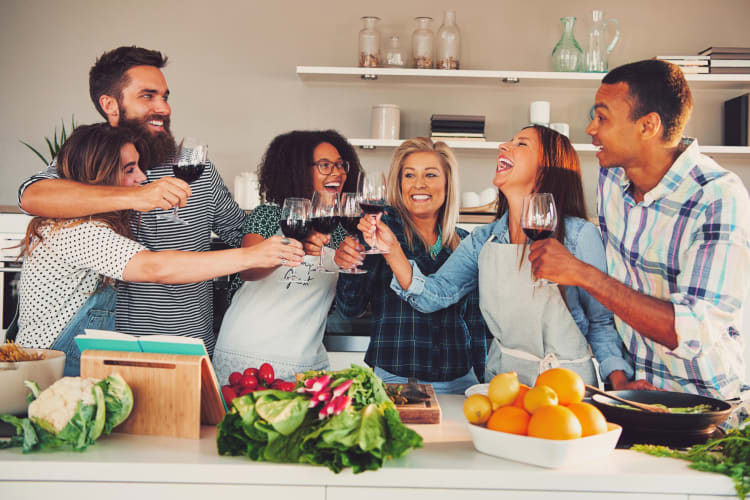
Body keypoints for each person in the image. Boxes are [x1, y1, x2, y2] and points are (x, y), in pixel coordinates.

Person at [528, 60, 750, 402]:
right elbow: (614, 305)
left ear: (648, 126)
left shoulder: (717, 196)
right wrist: (619, 377)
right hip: (635, 396)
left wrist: (581, 273)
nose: (590, 128)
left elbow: (691, 331)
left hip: (704, 402)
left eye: (602, 117)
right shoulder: (613, 178)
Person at [17, 124, 304, 376]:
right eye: (130, 169)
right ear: (100, 174)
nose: (142, 178)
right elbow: (155, 268)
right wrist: (252, 255)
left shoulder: (93, 222)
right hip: (46, 370)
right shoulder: (74, 229)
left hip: (61, 364)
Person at [16, 46, 247, 355]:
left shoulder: (197, 171)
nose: (163, 108)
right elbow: (33, 196)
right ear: (110, 104)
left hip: (188, 348)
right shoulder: (85, 166)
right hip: (109, 352)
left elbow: (241, 234)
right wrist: (137, 196)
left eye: (165, 97)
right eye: (147, 96)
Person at [366, 126, 635, 388]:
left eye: (521, 143)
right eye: (509, 140)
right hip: (506, 387)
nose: (503, 146)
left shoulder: (579, 236)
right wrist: (391, 249)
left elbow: (601, 323)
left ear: (546, 167)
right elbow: (434, 295)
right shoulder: (484, 240)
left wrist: (620, 381)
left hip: (566, 387)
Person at [333, 138, 489, 394]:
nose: (419, 184)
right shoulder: (380, 234)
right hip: (394, 380)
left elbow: (475, 322)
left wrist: (483, 384)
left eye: (430, 174)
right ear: (399, 184)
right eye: (409, 175)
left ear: (448, 184)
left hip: (460, 381)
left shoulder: (464, 242)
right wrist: (348, 265)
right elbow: (350, 309)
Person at [213, 130, 362, 382]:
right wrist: (297, 246)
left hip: (305, 359)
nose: (337, 172)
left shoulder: (340, 232)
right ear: (298, 171)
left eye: (340, 164)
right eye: (325, 165)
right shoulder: (268, 216)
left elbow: (350, 300)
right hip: (247, 355)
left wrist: (349, 263)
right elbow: (248, 269)